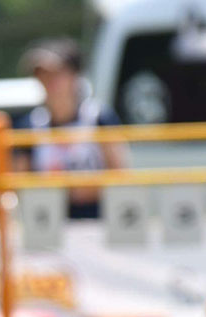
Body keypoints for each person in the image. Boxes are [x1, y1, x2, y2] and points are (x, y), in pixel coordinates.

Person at [13, 38, 128, 218]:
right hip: (47, 222)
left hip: (97, 219)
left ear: (75, 74)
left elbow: (119, 173)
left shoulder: (98, 117)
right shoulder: (30, 125)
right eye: (42, 74)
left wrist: (73, 190)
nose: (49, 81)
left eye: (56, 73)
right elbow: (19, 183)